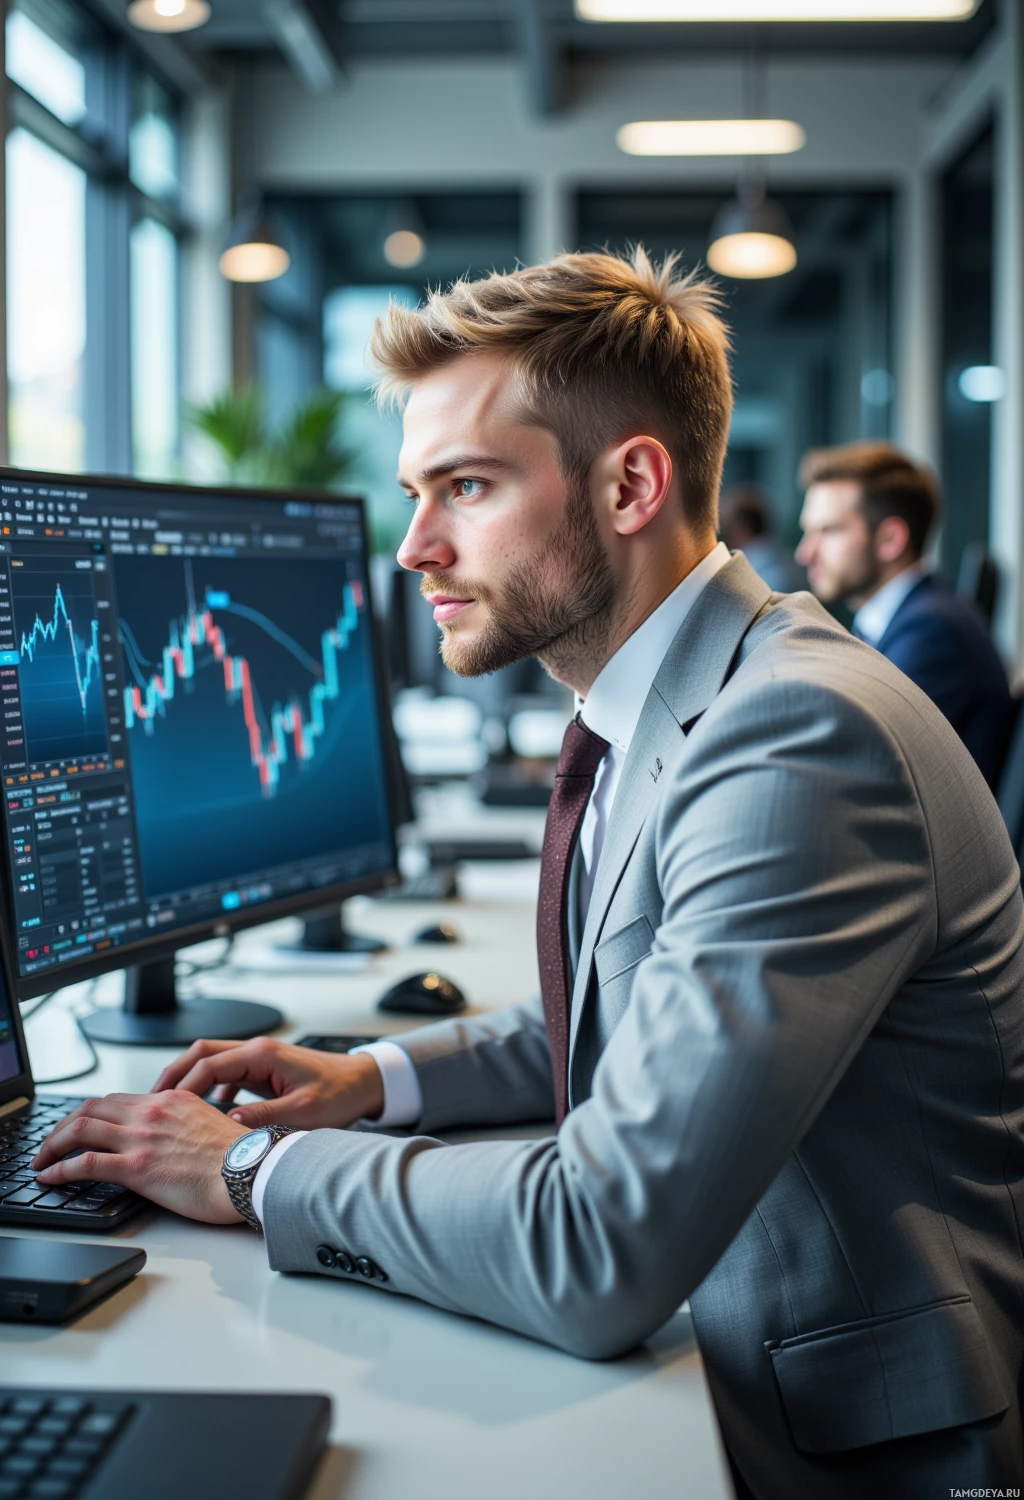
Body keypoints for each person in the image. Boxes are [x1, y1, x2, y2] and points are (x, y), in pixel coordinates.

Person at [34, 253, 1024, 1499]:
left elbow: (596, 1246)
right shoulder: (684, 699)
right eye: (413, 492)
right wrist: (373, 1079)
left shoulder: (797, 738)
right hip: (727, 1358)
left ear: (630, 483)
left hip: (838, 1440)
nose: (413, 548)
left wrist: (244, 1170)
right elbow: (632, 999)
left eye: (466, 487)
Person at [796, 440, 1015, 788]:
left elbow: (850, 764)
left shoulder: (933, 633)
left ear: (890, 540)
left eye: (829, 531)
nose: (805, 553)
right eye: (808, 531)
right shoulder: (905, 620)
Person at [719, 485, 804, 593]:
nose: (720, 535)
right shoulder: (779, 564)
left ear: (742, 529)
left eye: (725, 526)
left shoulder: (767, 577)